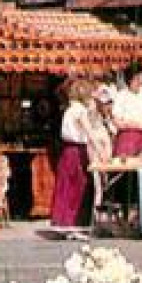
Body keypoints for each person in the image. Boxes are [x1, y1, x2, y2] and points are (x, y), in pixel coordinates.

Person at [50, 79, 100, 240]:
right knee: (80, 186)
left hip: (67, 151)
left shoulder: (69, 110)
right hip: (77, 151)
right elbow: (88, 131)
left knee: (67, 186)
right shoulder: (79, 111)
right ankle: (76, 225)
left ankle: (65, 223)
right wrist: (99, 149)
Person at [111, 63, 142, 157]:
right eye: (137, 78)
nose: (140, 81)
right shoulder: (121, 95)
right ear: (130, 79)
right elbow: (116, 120)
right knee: (126, 151)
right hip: (127, 133)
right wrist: (128, 124)